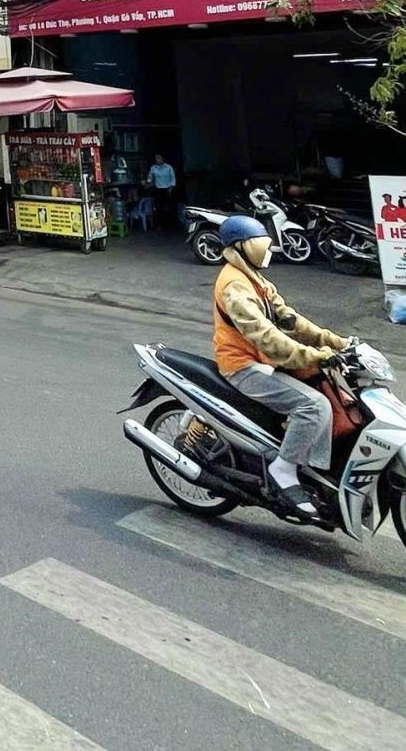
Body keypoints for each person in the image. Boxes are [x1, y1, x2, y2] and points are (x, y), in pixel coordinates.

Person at [211, 213, 349, 521]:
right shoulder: (234, 285)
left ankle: (311, 472)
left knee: (328, 394)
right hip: (243, 366)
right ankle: (283, 470)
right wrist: (312, 355)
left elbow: (290, 320)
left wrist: (335, 341)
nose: (268, 250)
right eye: (261, 244)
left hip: (264, 363)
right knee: (314, 406)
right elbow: (265, 336)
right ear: (243, 247)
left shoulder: (255, 278)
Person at [146, 153, 178, 229]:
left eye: (158, 158)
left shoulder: (168, 167)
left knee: (169, 207)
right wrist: (148, 183)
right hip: (158, 189)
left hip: (168, 189)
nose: (157, 160)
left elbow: (173, 178)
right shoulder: (153, 168)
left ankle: (171, 224)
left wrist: (171, 188)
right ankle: (160, 225)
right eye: (156, 158)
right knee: (159, 208)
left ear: (162, 159)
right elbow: (150, 177)